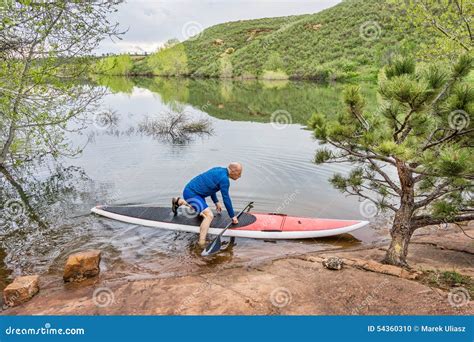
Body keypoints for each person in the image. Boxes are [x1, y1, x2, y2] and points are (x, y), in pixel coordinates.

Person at [172, 162, 242, 247]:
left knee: (201, 213)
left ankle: (178, 201)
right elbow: (226, 199)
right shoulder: (224, 179)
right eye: (239, 173)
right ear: (233, 171)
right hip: (192, 194)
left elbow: (211, 187)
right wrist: (232, 216)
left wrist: (216, 202)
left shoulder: (218, 169)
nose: (240, 176)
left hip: (194, 192)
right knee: (209, 215)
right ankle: (201, 243)